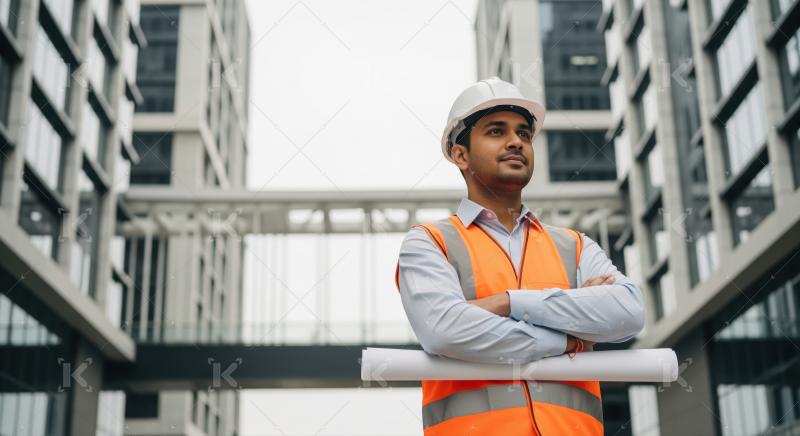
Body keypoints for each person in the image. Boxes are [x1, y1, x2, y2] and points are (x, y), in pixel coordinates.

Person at [394, 77, 645, 435]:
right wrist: (568, 338)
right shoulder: (430, 243)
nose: (516, 142)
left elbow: (629, 312)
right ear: (461, 155)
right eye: (496, 131)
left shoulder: (574, 244)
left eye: (524, 134)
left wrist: (507, 303)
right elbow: (444, 330)